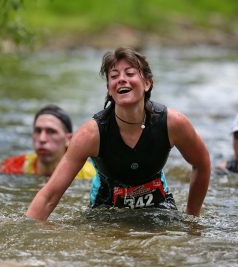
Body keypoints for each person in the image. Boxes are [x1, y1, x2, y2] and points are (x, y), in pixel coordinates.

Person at [25, 47, 211, 220]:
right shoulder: (91, 134)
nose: (121, 79)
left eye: (130, 73)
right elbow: (49, 195)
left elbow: (202, 164)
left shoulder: (173, 123)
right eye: (114, 76)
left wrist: (192, 219)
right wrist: (26, 234)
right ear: (109, 89)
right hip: (105, 210)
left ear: (147, 83)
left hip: (157, 205)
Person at [0, 104, 96, 179]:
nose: (42, 139)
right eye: (38, 131)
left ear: (68, 140)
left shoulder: (88, 174)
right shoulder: (18, 165)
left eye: (51, 131)